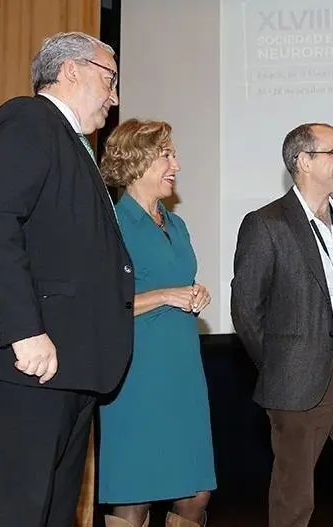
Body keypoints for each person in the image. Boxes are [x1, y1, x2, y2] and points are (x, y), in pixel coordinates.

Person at [0, 32, 131, 526]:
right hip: (24, 363)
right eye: (109, 81)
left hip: (64, 368)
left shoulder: (72, 144)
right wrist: (24, 331)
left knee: (48, 513)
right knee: (11, 511)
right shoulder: (28, 119)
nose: (114, 98)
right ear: (71, 70)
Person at [230, 123, 333, 527]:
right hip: (298, 374)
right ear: (303, 161)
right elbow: (246, 309)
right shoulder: (266, 223)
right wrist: (279, 364)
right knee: (294, 499)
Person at [97, 118, 216, 527]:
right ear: (136, 160)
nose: (176, 165)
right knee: (134, 495)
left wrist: (195, 292)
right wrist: (166, 296)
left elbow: (175, 281)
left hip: (182, 369)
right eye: (166, 154)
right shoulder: (111, 223)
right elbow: (98, 303)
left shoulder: (176, 224)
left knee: (196, 494)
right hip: (136, 374)